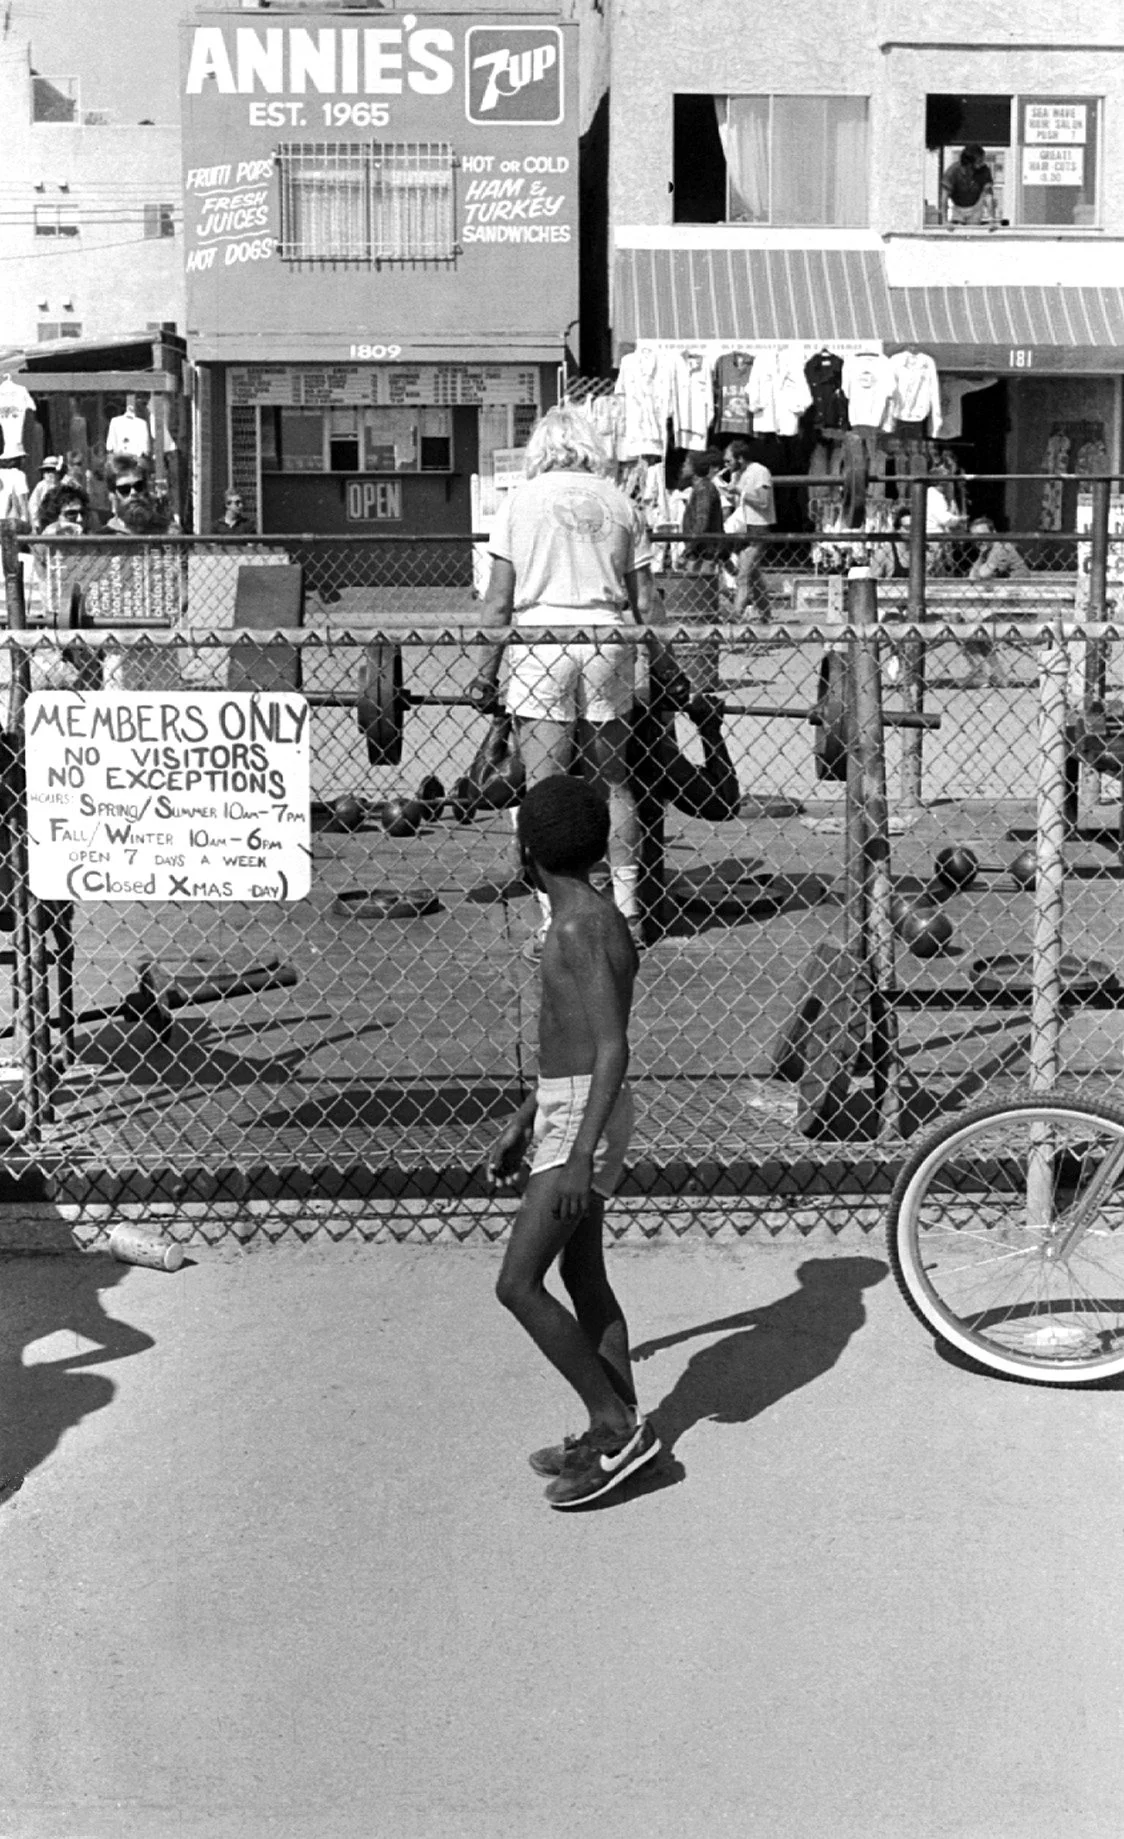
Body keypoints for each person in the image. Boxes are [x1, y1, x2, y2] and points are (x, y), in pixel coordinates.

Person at [490, 774, 660, 1509]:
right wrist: (525, 1117)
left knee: (518, 1284)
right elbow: (578, 1043)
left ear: (526, 848)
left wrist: (576, 1153)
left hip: (582, 1119)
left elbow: (612, 1048)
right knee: (583, 1275)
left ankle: (613, 1421)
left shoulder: (579, 926)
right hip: (569, 1110)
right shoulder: (582, 916)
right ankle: (620, 1426)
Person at [469, 406, 680, 955]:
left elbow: (498, 603)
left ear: (541, 448)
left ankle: (553, 919)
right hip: (608, 639)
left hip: (541, 639)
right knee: (613, 781)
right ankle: (628, 915)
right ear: (590, 446)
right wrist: (667, 667)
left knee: (546, 789)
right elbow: (647, 604)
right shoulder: (620, 503)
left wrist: (485, 672)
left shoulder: (519, 501)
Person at [723, 439, 774, 620]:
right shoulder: (738, 474)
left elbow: (763, 500)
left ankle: (735, 617)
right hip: (743, 528)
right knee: (753, 576)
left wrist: (739, 492)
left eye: (729, 461)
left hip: (757, 528)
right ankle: (766, 615)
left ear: (741, 458)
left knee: (743, 576)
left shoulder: (759, 472)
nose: (726, 465)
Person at [678, 449, 726, 573]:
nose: (683, 467)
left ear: (695, 468)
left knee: (699, 584)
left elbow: (702, 521)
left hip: (704, 552)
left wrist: (687, 550)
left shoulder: (704, 489)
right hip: (699, 550)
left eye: (686, 464)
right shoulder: (699, 488)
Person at [940, 143, 997, 227]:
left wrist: (991, 218)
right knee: (957, 233)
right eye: (979, 161)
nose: (982, 164)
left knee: (973, 232)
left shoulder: (984, 170)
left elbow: (988, 196)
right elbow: (944, 198)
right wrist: (945, 221)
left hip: (975, 207)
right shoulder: (952, 171)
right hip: (957, 208)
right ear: (968, 164)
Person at [968, 516, 1029, 581]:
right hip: (1008, 587)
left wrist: (978, 571)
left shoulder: (1002, 548)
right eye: (975, 538)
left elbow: (984, 574)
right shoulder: (986, 549)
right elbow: (972, 574)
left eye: (982, 535)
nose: (979, 541)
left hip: (1021, 586)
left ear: (994, 533)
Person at [28, 456, 64, 533]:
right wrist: (36, 524)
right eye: (47, 471)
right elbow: (33, 506)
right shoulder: (41, 486)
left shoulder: (63, 486)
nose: (50, 474)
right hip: (45, 522)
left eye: (52, 470)